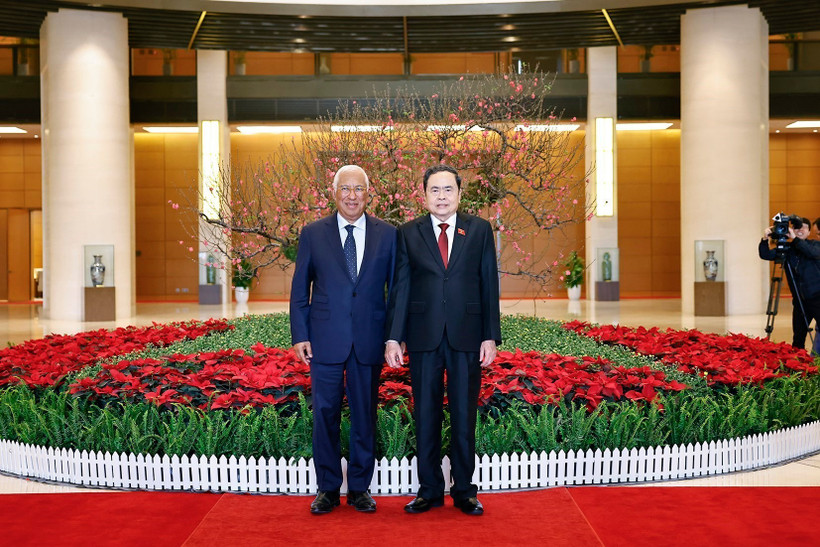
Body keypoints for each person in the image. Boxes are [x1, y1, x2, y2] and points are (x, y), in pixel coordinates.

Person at [385, 164, 501, 516]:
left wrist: (490, 336)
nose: (441, 196)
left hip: (467, 335)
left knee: (464, 415)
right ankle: (429, 489)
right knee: (425, 415)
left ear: (459, 194)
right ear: (424, 195)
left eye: (447, 189)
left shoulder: (479, 230)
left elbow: (488, 284)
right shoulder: (408, 232)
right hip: (424, 336)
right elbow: (400, 287)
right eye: (434, 190)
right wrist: (394, 338)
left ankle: (465, 490)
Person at [290, 165, 397, 515]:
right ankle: (327, 488)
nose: (352, 195)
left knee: (365, 415)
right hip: (325, 340)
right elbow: (299, 290)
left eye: (359, 189)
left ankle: (361, 489)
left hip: (369, 338)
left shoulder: (388, 234)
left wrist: (394, 337)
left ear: (369, 193)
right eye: (345, 189)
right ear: (334, 193)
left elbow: (396, 291)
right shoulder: (312, 233)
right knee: (325, 414)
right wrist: (300, 334)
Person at [759, 216, 820, 352]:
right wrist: (765, 238)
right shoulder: (787, 249)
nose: (800, 230)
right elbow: (765, 255)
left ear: (809, 232)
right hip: (799, 301)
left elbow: (811, 252)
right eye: (797, 227)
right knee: (798, 337)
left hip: (817, 298)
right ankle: (799, 365)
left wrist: (795, 239)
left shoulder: (815, 246)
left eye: (804, 227)